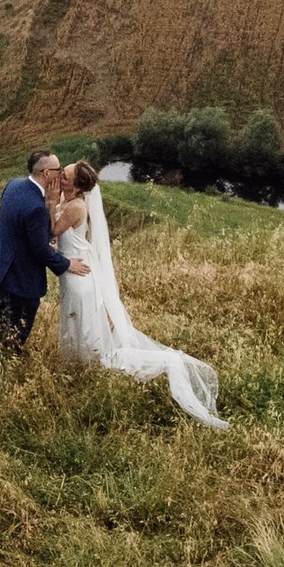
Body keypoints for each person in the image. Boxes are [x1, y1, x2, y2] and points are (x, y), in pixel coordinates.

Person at [52, 160, 230, 429]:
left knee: (85, 332)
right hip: (72, 273)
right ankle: (77, 372)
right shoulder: (67, 203)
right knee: (76, 324)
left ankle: (89, 370)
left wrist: (50, 198)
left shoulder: (76, 206)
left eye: (65, 176)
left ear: (77, 186)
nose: (60, 178)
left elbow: (51, 232)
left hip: (78, 277)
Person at [0, 149, 89, 354]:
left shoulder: (13, 185)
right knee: (18, 326)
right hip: (22, 277)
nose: (60, 174)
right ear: (47, 173)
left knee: (5, 317)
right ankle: (8, 360)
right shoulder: (36, 208)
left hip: (3, 265)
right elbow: (40, 248)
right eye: (59, 170)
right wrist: (67, 264)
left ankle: (0, 352)